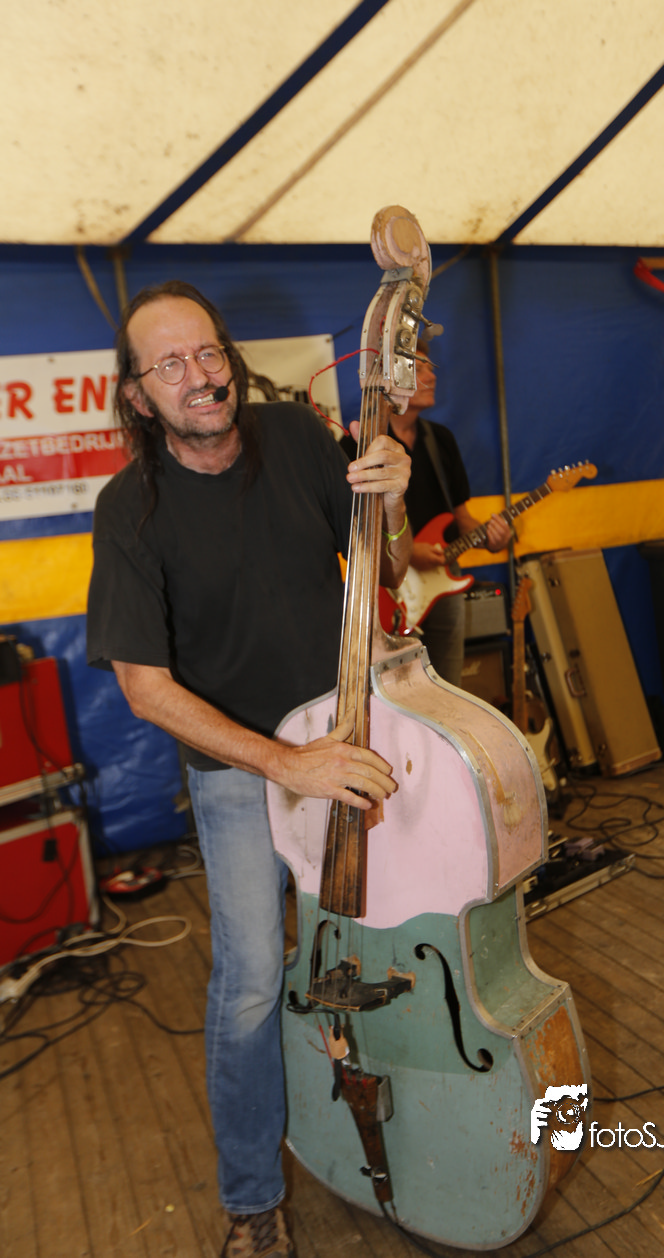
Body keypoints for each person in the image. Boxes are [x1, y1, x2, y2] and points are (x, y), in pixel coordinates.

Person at [86, 281, 412, 1258]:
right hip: (239, 769)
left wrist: (395, 500)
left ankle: (403, 1128)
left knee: (388, 941)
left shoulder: (301, 438)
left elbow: (389, 569)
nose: (199, 375)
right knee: (250, 981)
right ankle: (251, 1198)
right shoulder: (129, 508)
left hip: (343, 735)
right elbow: (144, 688)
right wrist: (283, 763)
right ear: (138, 396)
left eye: (208, 352)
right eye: (169, 364)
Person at [343, 341, 511, 685]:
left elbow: (460, 517)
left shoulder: (441, 440)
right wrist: (406, 552)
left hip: (444, 580)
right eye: (419, 368)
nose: (432, 376)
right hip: (387, 591)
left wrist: (492, 539)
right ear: (391, 377)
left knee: (449, 685)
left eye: (430, 368)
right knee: (397, 691)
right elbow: (349, 528)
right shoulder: (355, 445)